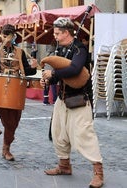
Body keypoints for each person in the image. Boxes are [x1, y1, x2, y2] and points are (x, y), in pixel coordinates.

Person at [40, 17, 104, 188]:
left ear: (66, 33)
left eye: (57, 33)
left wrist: (53, 75)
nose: (55, 36)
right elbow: (60, 76)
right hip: (62, 98)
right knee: (59, 133)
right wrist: (48, 80)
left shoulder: (79, 49)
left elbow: (74, 69)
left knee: (84, 135)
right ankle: (64, 166)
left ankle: (98, 172)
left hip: (79, 99)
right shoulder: (60, 51)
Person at [0, 24, 38, 161]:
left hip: (14, 89)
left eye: (10, 36)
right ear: (1, 35)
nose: (7, 39)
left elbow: (26, 71)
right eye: (5, 36)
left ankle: (6, 149)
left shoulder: (19, 52)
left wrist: (33, 68)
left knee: (12, 124)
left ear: (14, 36)